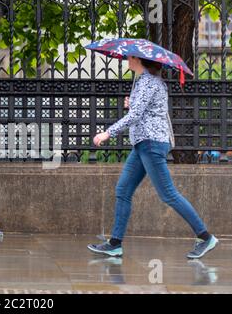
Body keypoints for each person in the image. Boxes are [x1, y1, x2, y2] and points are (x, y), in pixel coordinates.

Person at [87, 56, 219, 259]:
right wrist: (132, 104)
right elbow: (145, 110)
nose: (127, 60)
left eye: (130, 57)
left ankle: (205, 237)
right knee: (123, 190)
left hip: (151, 143)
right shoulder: (144, 81)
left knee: (168, 194)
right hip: (142, 143)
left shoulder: (149, 81)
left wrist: (108, 133)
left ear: (139, 60)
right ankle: (115, 243)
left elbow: (136, 115)